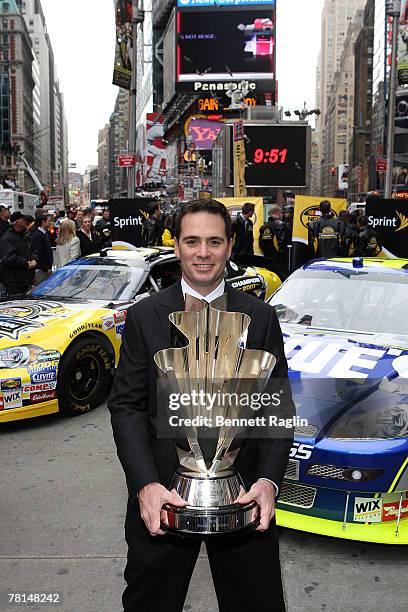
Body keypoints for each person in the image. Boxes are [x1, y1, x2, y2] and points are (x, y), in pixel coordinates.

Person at [108, 198, 293, 612]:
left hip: (244, 497)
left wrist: (269, 482)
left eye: (214, 241)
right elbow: (126, 407)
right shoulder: (144, 316)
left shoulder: (261, 317)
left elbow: (276, 409)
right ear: (176, 246)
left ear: (230, 246)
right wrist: (145, 485)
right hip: (163, 497)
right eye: (192, 241)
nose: (203, 253)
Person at [0, 211, 37, 295]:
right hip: (14, 283)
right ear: (17, 222)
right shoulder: (8, 238)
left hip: (25, 281)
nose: (25, 222)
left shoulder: (23, 236)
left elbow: (30, 251)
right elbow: (8, 258)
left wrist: (33, 259)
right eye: (23, 219)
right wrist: (26, 263)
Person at [29, 210, 54, 283]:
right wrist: (45, 267)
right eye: (49, 221)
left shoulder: (45, 233)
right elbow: (38, 253)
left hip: (46, 268)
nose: (50, 223)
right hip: (41, 270)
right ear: (43, 222)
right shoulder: (37, 235)